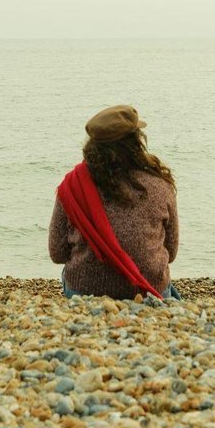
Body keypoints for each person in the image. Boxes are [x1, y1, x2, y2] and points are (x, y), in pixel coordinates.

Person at [50, 105, 180, 300]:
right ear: (136, 143)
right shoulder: (160, 185)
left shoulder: (72, 186)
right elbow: (171, 251)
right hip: (147, 289)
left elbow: (57, 253)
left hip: (84, 290)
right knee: (173, 295)